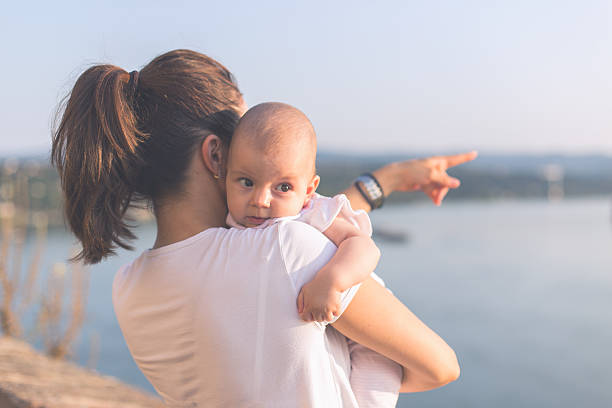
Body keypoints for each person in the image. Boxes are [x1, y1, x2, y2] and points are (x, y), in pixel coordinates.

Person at [52, 49, 473, 407]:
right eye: (243, 138)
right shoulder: (284, 251)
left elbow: (292, 220)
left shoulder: (130, 288)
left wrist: (386, 181)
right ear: (217, 156)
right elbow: (441, 366)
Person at [225, 101, 401, 407]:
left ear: (309, 190)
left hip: (367, 334)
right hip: (320, 341)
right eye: (246, 182)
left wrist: (332, 280)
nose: (260, 199)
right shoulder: (230, 224)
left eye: (282, 187)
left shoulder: (311, 213)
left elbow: (364, 246)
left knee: (375, 385)